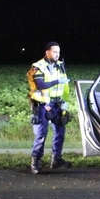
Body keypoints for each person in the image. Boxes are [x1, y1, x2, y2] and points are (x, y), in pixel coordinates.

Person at [27, 41, 72, 174]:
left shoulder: (60, 65)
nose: (57, 54)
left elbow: (65, 87)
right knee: (41, 134)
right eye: (54, 52)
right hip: (43, 105)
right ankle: (35, 162)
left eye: (58, 52)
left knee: (60, 132)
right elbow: (40, 85)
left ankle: (56, 159)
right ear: (47, 52)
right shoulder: (38, 66)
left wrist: (65, 104)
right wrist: (57, 81)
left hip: (58, 104)